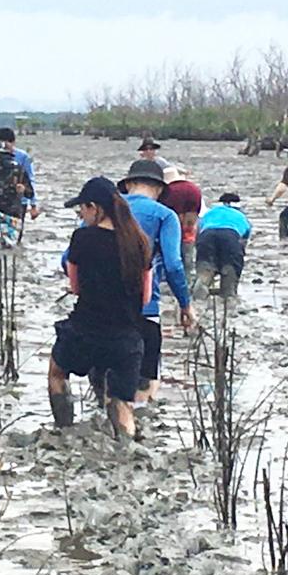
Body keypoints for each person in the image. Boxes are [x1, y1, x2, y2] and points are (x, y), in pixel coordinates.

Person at [50, 177, 152, 438]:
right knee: (121, 402)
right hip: (127, 337)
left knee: (57, 373)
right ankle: (127, 446)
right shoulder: (139, 242)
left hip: (87, 330)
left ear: (94, 207)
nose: (81, 216)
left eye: (81, 210)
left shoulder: (83, 238)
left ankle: (64, 431)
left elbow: (75, 288)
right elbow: (146, 296)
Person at [117, 160, 195, 403]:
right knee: (145, 383)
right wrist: (185, 304)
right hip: (145, 308)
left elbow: (70, 258)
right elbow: (173, 265)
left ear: (128, 184)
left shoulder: (103, 210)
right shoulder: (164, 215)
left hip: (100, 311)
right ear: (160, 189)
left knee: (107, 386)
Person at [194, 192, 251, 299]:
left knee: (205, 270)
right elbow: (243, 243)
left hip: (207, 235)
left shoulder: (209, 213)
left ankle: (199, 294)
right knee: (229, 271)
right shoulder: (241, 216)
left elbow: (197, 233)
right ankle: (227, 296)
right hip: (231, 236)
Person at [159, 167, 203, 283]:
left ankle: (170, 280)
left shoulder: (167, 191)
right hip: (190, 223)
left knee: (170, 253)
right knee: (187, 253)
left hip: (172, 225)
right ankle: (186, 279)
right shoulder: (194, 188)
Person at [0, 127, 40, 220]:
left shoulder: (23, 156)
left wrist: (33, 205)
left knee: (14, 231)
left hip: (20, 201)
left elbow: (30, 178)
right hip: (0, 200)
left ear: (12, 142)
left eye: (6, 143)